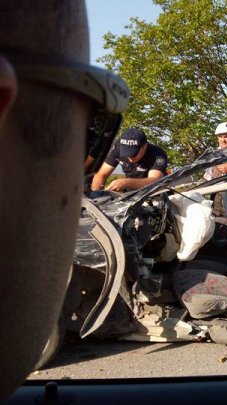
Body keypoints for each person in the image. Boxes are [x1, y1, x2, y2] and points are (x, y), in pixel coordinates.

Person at [0, 0, 129, 397]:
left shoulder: (154, 157)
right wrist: (101, 183)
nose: (84, 165)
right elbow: (102, 175)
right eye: (96, 123)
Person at [91, 127, 168, 192]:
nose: (130, 159)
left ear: (144, 146)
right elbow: (101, 174)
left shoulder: (157, 154)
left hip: (154, 194)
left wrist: (126, 182)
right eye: (126, 154)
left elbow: (155, 181)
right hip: (130, 195)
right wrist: (95, 196)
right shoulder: (117, 148)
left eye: (133, 154)